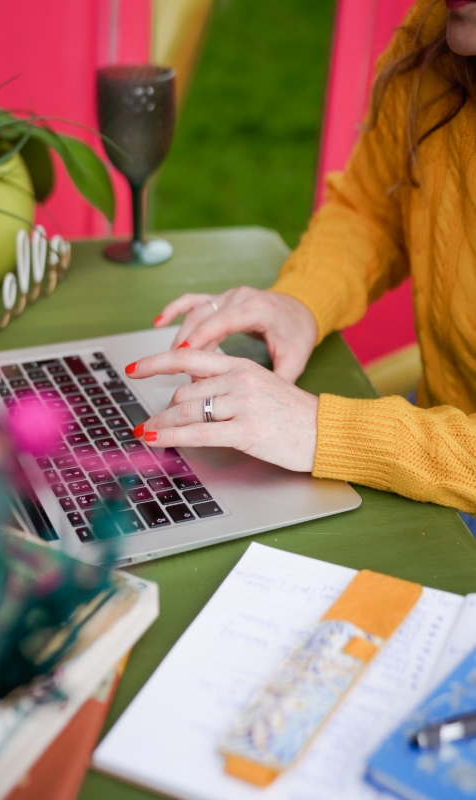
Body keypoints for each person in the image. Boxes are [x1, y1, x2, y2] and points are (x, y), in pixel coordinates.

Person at [124, 0, 476, 523]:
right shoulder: (436, 39)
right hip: (435, 422)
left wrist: (321, 429)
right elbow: (374, 208)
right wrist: (299, 302)